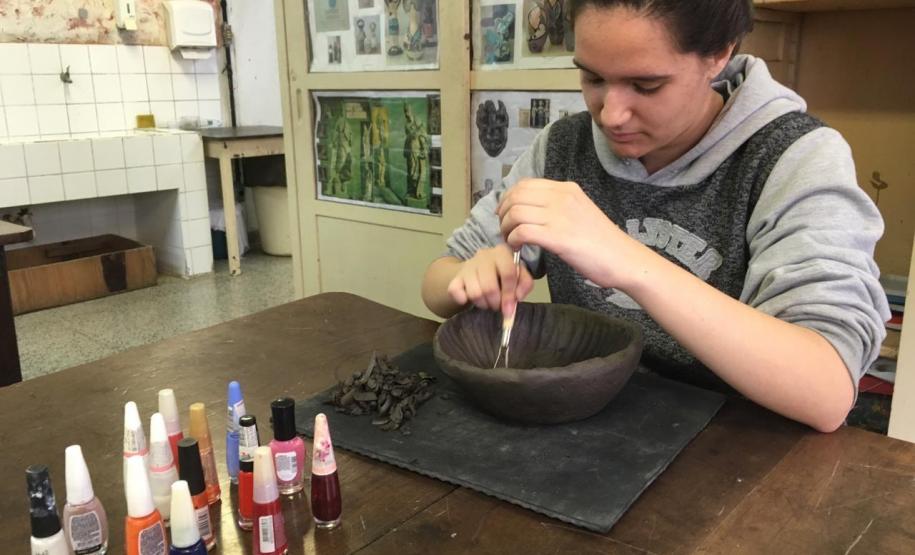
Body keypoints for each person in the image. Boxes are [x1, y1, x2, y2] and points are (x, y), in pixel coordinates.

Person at [421, 0, 890, 433]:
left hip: (733, 455)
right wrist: (470, 278)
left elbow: (827, 389)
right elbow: (437, 284)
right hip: (587, 430)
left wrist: (628, 261)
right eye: (593, 79)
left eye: (646, 85)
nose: (612, 114)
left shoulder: (791, 157)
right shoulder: (565, 147)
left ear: (719, 55)